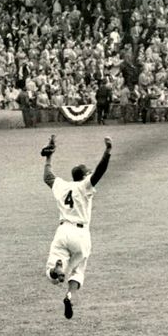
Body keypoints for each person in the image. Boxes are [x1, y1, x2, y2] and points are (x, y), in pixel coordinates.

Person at [41, 135, 112, 320]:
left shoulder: (62, 186)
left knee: (52, 274)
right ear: (84, 176)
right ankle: (70, 295)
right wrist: (107, 152)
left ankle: (57, 270)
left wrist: (48, 158)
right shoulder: (84, 186)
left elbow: (48, 177)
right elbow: (99, 172)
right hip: (81, 235)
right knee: (78, 271)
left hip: (63, 231)